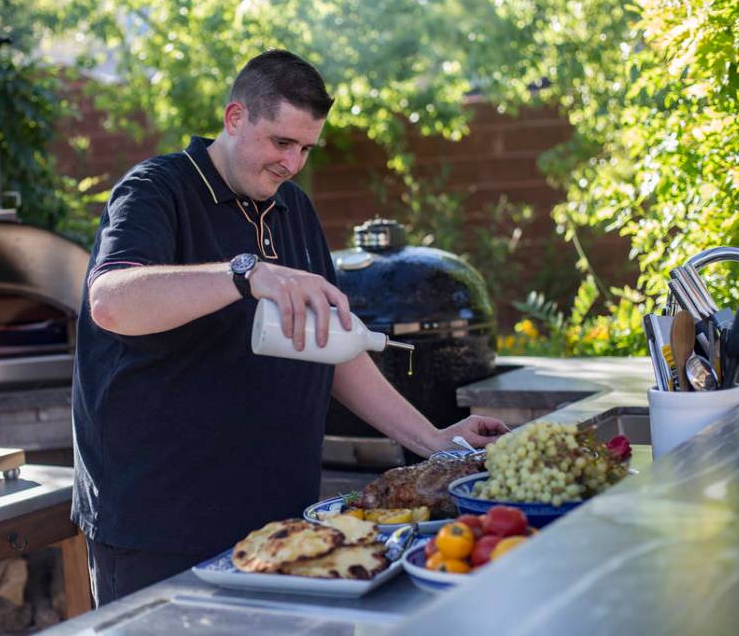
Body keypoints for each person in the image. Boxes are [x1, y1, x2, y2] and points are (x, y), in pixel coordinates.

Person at [71, 49, 509, 605]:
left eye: (305, 148)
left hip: (281, 516)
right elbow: (110, 301)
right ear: (235, 118)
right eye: (281, 142)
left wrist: (435, 442)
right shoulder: (156, 189)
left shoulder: (293, 208)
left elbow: (337, 344)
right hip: (160, 524)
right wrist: (244, 273)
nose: (293, 163)